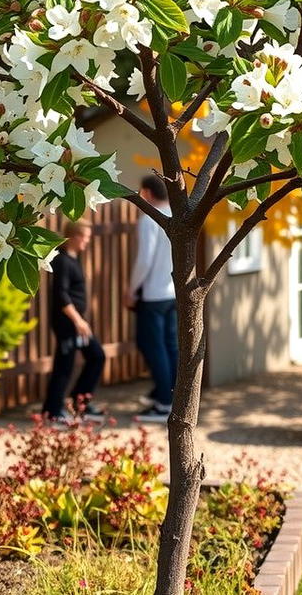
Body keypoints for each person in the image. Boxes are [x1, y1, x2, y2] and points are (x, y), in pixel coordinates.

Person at [125, 175, 177, 423]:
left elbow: (144, 260)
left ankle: (163, 404)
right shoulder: (176, 214)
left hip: (153, 294)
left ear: (146, 192)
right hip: (172, 292)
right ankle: (171, 397)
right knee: (170, 347)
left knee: (153, 347)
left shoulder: (149, 220)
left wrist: (131, 289)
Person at [42, 219, 105, 422]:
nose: (87, 242)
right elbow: (61, 295)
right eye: (85, 237)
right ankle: (53, 412)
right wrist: (78, 321)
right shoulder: (61, 261)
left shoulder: (73, 258)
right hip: (68, 323)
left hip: (76, 324)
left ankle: (80, 404)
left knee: (96, 357)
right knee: (64, 366)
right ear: (74, 237)